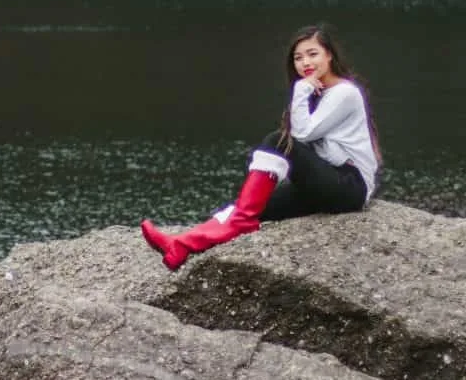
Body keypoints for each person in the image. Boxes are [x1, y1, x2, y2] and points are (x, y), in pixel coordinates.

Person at [141, 24, 381, 271]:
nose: (305, 63)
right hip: (324, 183)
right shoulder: (314, 91)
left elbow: (300, 135)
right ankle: (181, 245)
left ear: (329, 55)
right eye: (298, 58)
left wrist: (300, 90)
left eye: (313, 54)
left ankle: (239, 223)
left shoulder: (345, 93)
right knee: (253, 205)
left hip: (349, 185)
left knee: (276, 140)